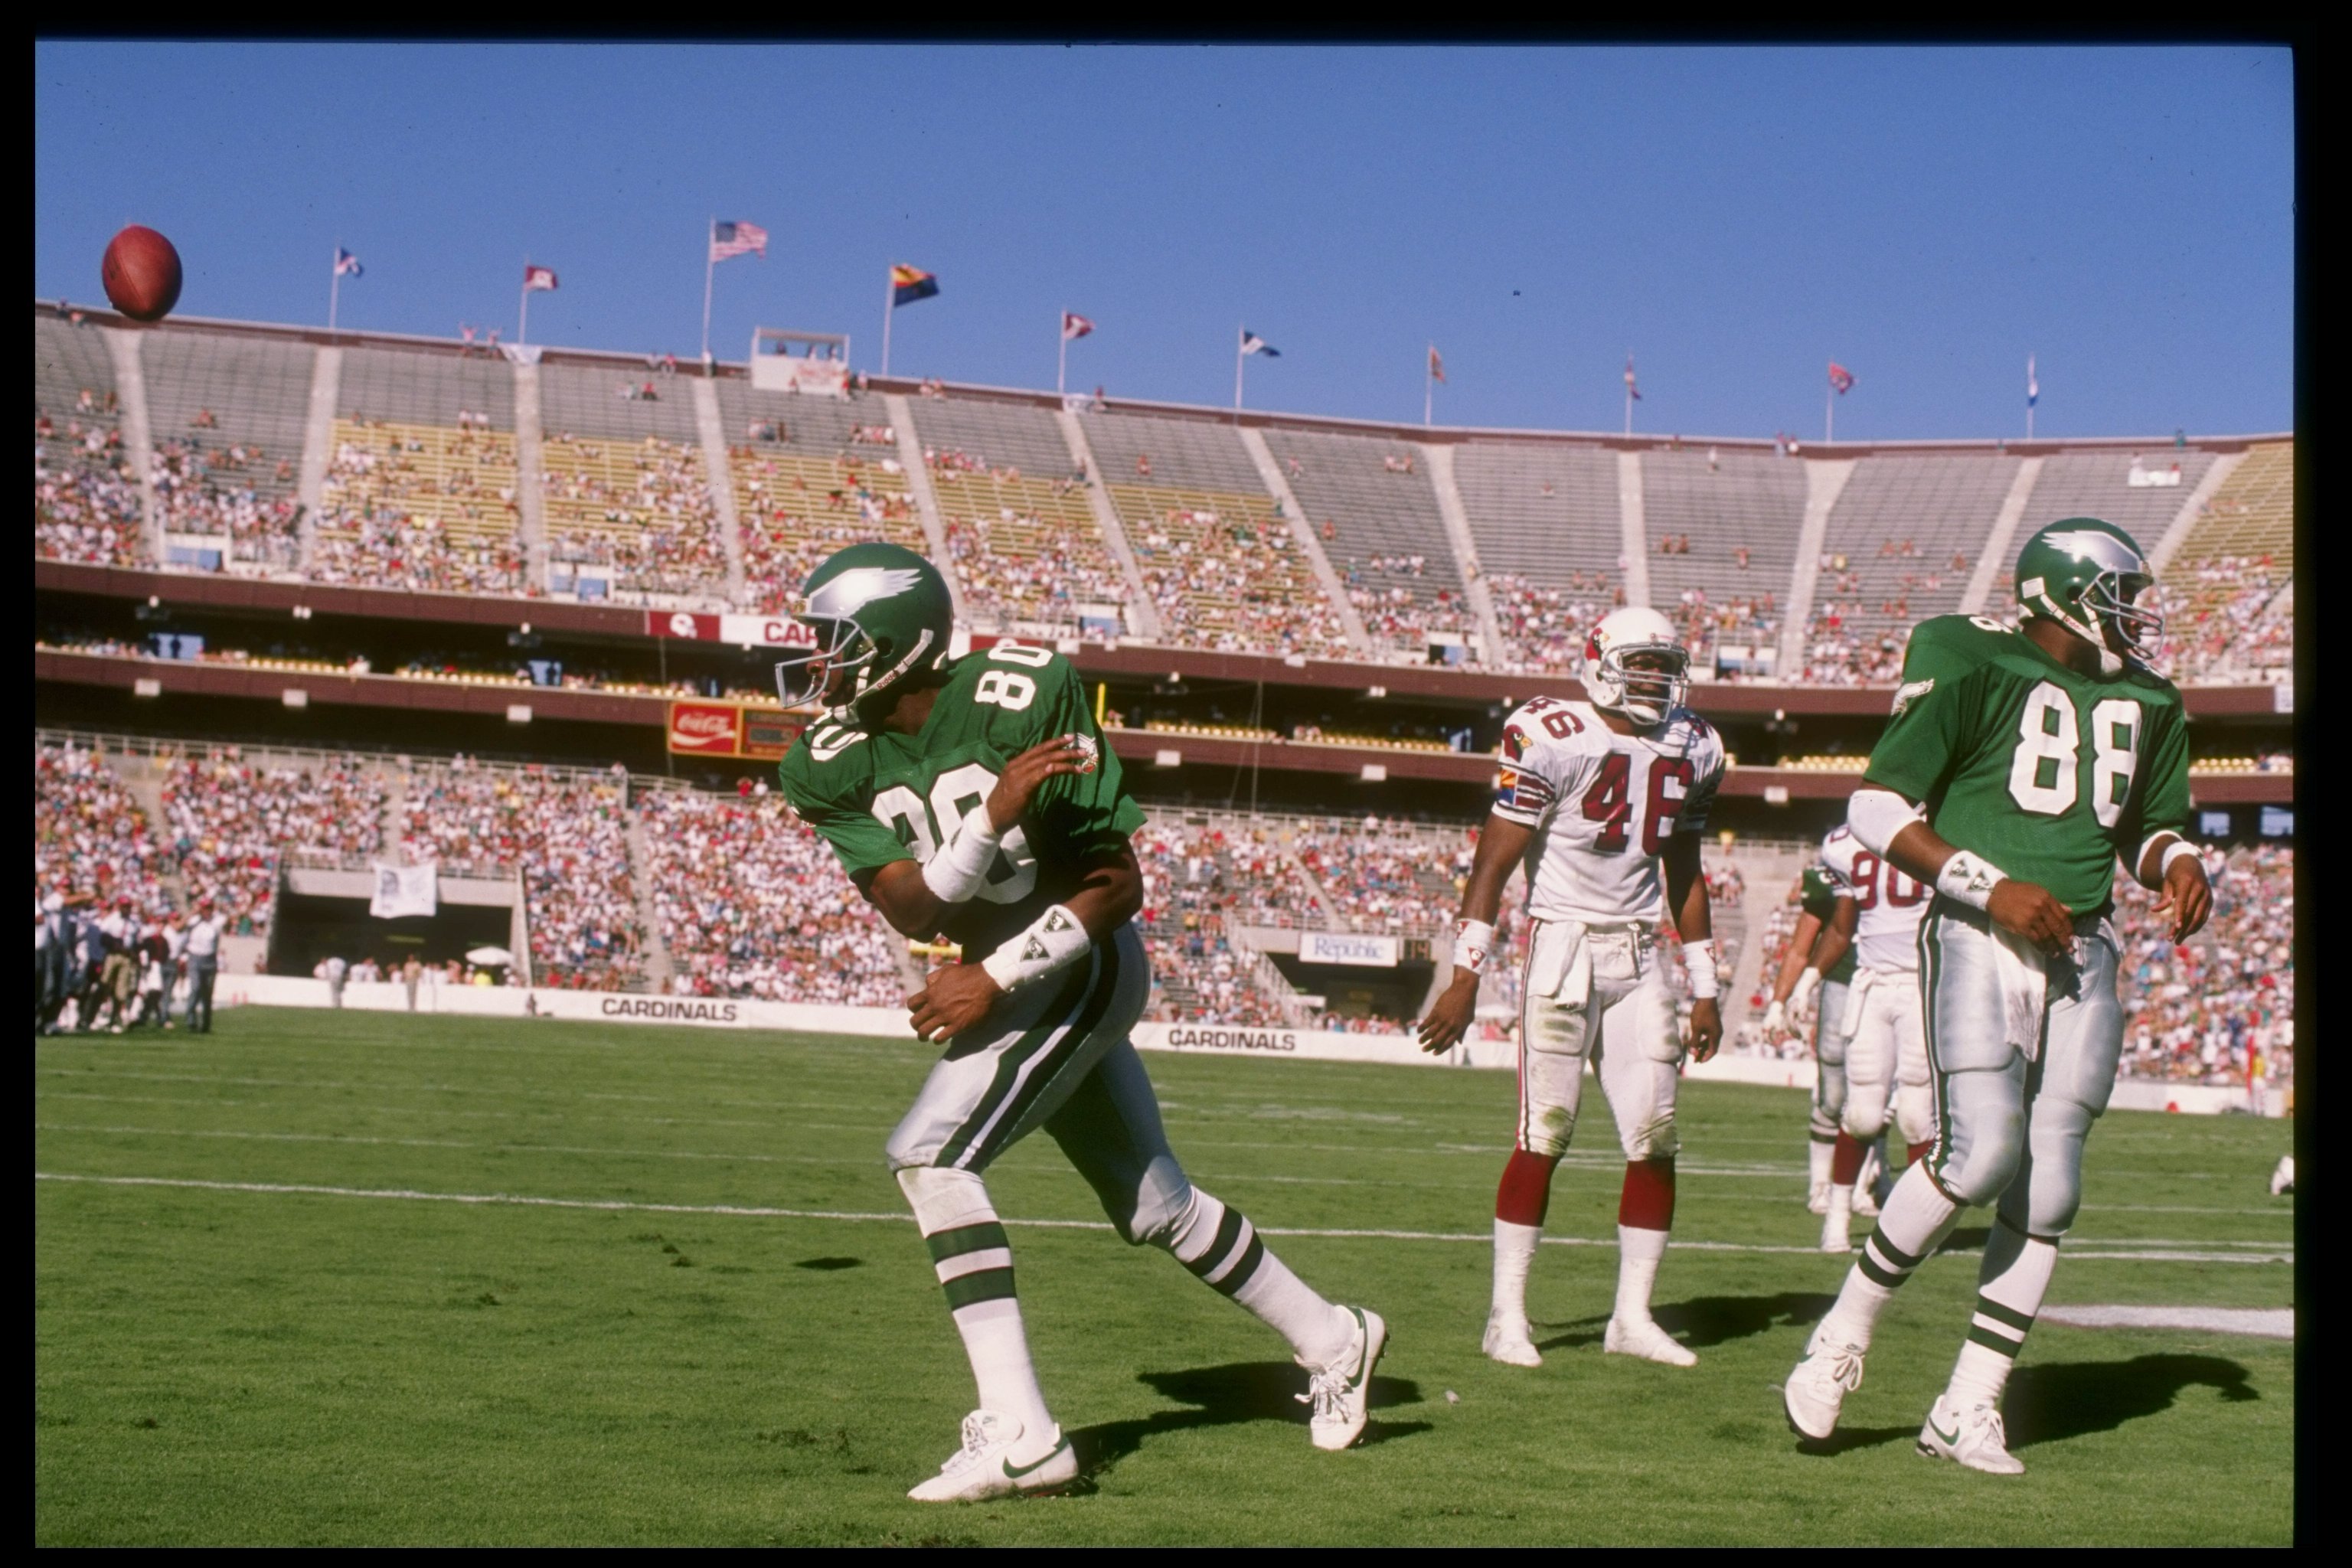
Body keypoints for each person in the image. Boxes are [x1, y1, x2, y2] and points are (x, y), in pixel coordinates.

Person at [774, 541, 1386, 1503]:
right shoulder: (823, 759)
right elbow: (918, 911)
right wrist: (989, 820)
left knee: (931, 1156)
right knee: (1158, 1207)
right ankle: (1337, 1337)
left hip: (1076, 963)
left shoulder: (1024, 692)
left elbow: (1117, 885)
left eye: (836, 640)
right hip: (1002, 974)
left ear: (898, 639)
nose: (818, 660)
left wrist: (996, 973)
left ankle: (1021, 1432)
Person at [1783, 517, 2208, 1475]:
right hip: (1980, 930)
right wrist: (1989, 883)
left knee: (2050, 1183)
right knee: (1978, 1156)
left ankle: (1970, 1402)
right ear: (2058, 593)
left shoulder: (2150, 697)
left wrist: (2179, 861)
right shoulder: (1966, 652)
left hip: (2084, 942)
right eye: (2119, 595)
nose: (2134, 615)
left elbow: (2144, 825)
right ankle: (1842, 1334)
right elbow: (1876, 805)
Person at [1417, 606, 1727, 1371]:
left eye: (1664, 664)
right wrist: (1465, 974)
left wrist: (1706, 983)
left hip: (1640, 955)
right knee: (1543, 1133)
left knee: (1655, 1139)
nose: (1656, 678)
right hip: (1561, 946)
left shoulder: (1694, 743)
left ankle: (1631, 1316)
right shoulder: (1551, 732)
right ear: (1599, 662)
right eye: (1642, 663)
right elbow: (1491, 864)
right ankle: (1505, 1315)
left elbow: (1684, 869)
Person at [1812, 825, 1936, 1253]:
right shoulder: (1845, 841)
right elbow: (1842, 928)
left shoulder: (1944, 826)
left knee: (1918, 1116)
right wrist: (1809, 977)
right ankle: (1837, 1219)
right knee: (1862, 1114)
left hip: (1923, 986)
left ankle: (1919, 1225)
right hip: (1872, 985)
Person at [1761, 854, 1857, 1214]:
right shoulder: (1835, 865)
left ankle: (1867, 1181)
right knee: (1833, 1097)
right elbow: (1802, 947)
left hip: (1901, 983)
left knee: (1886, 1096)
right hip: (1842, 980)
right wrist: (1778, 1003)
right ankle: (1820, 1184)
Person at [182, 897, 226, 1034]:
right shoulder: (194, 921)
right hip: (195, 957)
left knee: (207, 994)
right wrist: (193, 912)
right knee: (195, 988)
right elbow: (180, 925)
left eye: (209, 909)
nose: (207, 911)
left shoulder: (217, 921)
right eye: (204, 909)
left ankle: (206, 1024)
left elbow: (226, 920)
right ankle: (191, 1020)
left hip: (209, 959)